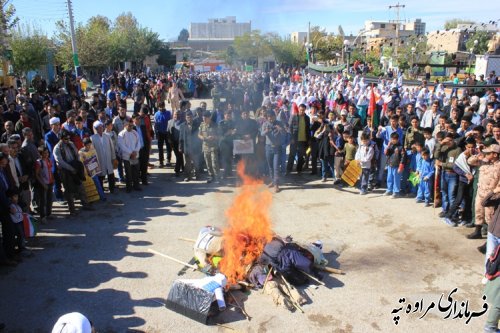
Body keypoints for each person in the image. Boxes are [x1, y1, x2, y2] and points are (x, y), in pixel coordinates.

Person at [53, 130, 91, 215]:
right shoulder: (57, 148)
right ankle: (72, 210)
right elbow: (60, 161)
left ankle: (85, 204)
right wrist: (71, 169)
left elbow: (77, 154)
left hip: (75, 168)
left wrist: (76, 165)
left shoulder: (71, 144)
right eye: (66, 139)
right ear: (61, 139)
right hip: (65, 171)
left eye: (68, 138)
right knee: (69, 190)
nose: (68, 140)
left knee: (80, 186)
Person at [261, 110, 286, 193]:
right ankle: (272, 181)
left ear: (275, 116)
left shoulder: (279, 123)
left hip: (277, 148)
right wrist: (266, 131)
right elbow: (261, 134)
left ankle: (276, 184)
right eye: (269, 117)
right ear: (267, 117)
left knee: (276, 167)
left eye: (272, 117)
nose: (270, 118)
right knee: (270, 166)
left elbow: (285, 133)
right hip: (268, 147)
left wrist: (281, 129)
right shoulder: (265, 124)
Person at [90, 120, 116, 193]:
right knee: (100, 176)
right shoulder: (92, 138)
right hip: (99, 160)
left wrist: (113, 158)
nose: (101, 129)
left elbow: (112, 147)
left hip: (108, 159)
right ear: (96, 129)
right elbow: (92, 151)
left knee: (110, 174)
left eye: (101, 127)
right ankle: (101, 190)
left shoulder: (107, 136)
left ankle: (112, 189)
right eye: (99, 128)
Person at [117, 117, 141, 193]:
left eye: (132, 125)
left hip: (135, 156)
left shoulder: (135, 132)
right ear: (125, 125)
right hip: (127, 157)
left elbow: (139, 143)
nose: (131, 127)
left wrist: (135, 151)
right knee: (128, 173)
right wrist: (130, 152)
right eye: (129, 125)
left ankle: (136, 186)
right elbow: (122, 146)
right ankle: (129, 187)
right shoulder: (121, 134)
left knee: (136, 172)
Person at [287, 104, 310, 174]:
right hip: (294, 139)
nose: (302, 111)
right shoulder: (294, 116)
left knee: (301, 156)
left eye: (303, 110)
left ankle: (299, 170)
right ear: (298, 109)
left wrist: (308, 139)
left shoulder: (307, 118)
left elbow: (308, 129)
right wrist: (291, 138)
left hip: (303, 140)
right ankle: (288, 170)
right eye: (301, 110)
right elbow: (289, 127)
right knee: (292, 155)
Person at [198, 111, 219, 183]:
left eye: (205, 118)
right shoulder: (202, 125)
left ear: (209, 117)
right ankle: (211, 176)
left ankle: (217, 177)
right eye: (203, 118)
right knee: (208, 163)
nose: (204, 119)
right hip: (205, 146)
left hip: (213, 146)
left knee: (214, 162)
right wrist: (204, 138)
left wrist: (214, 137)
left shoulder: (215, 125)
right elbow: (199, 135)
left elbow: (220, 135)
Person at [34, 146, 53, 224]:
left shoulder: (49, 160)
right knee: (43, 201)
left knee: (49, 199)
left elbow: (50, 171)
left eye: (47, 153)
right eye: (44, 153)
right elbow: (37, 174)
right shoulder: (39, 162)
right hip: (43, 184)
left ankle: (49, 214)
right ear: (40, 154)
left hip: (50, 182)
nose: (46, 154)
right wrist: (43, 184)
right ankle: (43, 216)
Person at [384, 132, 404, 198]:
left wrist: (401, 166)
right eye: (392, 139)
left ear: (398, 139)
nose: (393, 140)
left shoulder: (400, 147)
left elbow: (403, 157)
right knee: (389, 178)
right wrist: (388, 146)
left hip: (397, 165)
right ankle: (389, 189)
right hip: (390, 164)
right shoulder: (391, 146)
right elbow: (386, 153)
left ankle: (396, 192)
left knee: (396, 179)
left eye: (394, 139)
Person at [154, 101, 172, 167]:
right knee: (160, 148)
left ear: (164, 106)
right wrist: (156, 133)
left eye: (162, 106)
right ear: (158, 107)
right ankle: (161, 161)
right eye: (160, 107)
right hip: (159, 133)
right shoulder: (156, 114)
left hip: (167, 133)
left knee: (168, 147)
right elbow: (155, 125)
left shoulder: (168, 113)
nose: (161, 108)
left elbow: (171, 122)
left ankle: (168, 160)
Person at [167, 111, 185, 177]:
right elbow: (168, 132)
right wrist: (169, 141)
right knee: (179, 156)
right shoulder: (169, 122)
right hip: (173, 142)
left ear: (180, 115)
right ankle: (183, 167)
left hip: (180, 142)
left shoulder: (183, 123)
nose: (176, 115)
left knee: (179, 156)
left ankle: (177, 170)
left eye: (178, 114)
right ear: (173, 115)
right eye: (175, 114)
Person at [7, 189, 25, 253]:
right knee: (19, 235)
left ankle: (21, 247)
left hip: (20, 222)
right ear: (10, 198)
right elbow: (14, 213)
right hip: (15, 223)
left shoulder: (18, 205)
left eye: (17, 196)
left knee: (21, 235)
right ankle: (19, 248)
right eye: (15, 196)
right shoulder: (11, 206)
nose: (16, 198)